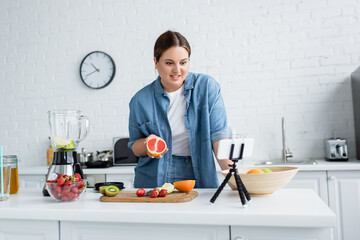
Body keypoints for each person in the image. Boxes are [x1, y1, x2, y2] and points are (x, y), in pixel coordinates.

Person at [128, 30, 233, 188]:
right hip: (153, 177)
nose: (177, 70)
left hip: (199, 171)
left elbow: (219, 137)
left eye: (183, 62)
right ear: (156, 62)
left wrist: (233, 178)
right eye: (169, 63)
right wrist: (146, 144)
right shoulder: (140, 100)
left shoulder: (207, 87)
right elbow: (135, 146)